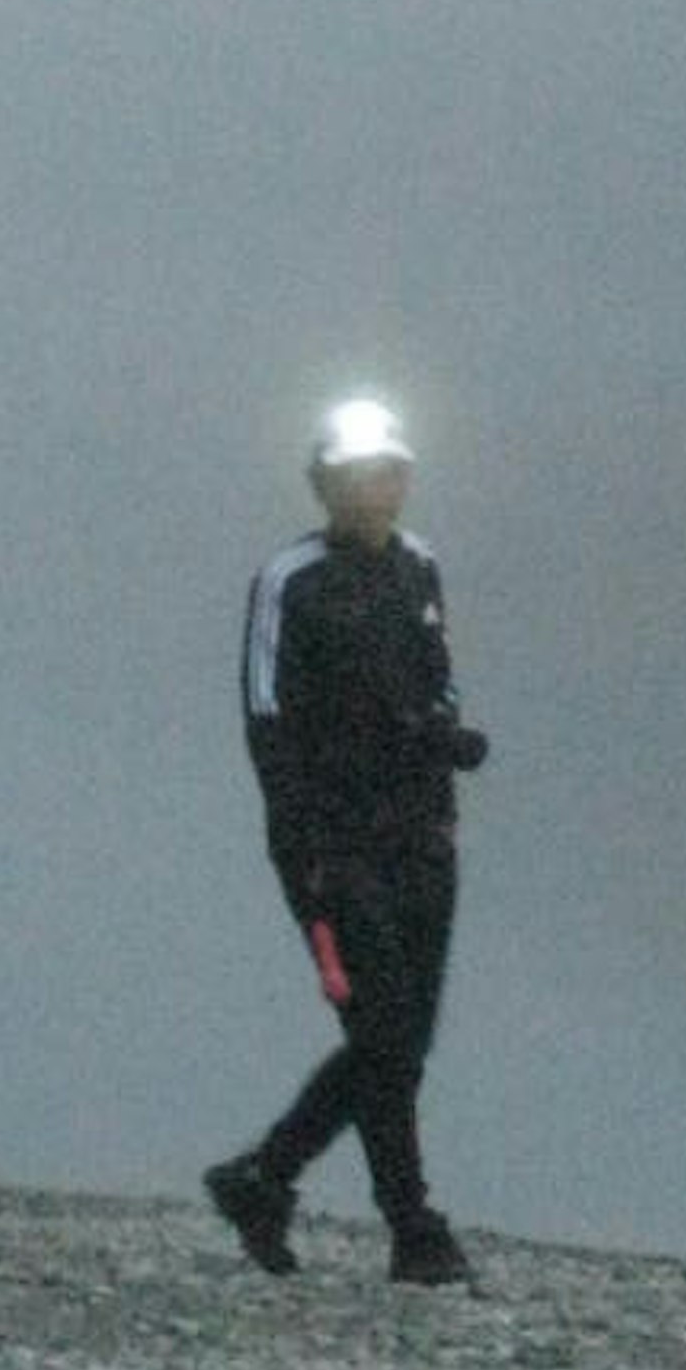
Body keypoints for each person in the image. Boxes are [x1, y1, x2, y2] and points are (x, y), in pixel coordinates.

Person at [205, 393, 490, 1286]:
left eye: (394, 471)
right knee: (382, 1027)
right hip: (334, 844)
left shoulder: (420, 569)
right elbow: (266, 718)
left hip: (421, 835)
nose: (382, 488)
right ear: (326, 484)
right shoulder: (290, 581)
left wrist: (446, 745)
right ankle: (412, 1226)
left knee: (402, 1041)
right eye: (362, 474)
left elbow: (435, 683)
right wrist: (304, 842)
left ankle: (265, 1175)